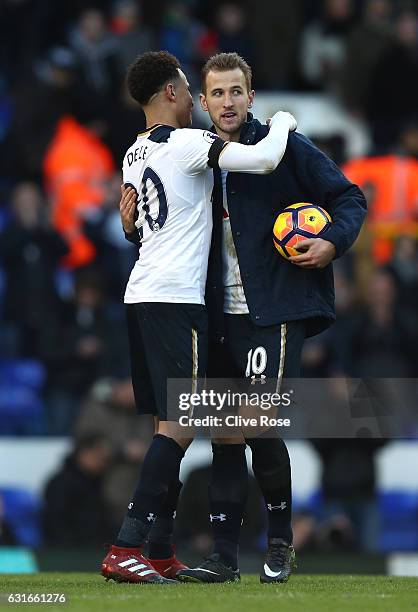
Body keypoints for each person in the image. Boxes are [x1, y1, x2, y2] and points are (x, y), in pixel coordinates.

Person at [101, 50, 297, 585]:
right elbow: (261, 160)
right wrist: (282, 120)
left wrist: (129, 231)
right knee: (183, 424)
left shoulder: (133, 154)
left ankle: (161, 549)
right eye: (190, 89)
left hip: (140, 293)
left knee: (165, 423)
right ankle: (126, 545)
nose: (196, 99)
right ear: (171, 93)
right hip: (178, 299)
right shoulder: (189, 143)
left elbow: (141, 226)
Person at [174, 52, 366, 584]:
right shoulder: (194, 153)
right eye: (217, 93)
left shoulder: (282, 149)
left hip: (273, 310)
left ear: (251, 97)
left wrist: (331, 241)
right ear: (204, 102)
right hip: (215, 314)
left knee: (256, 427)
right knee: (224, 435)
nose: (228, 102)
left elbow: (349, 196)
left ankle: (280, 545)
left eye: (237, 91)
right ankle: (224, 557)